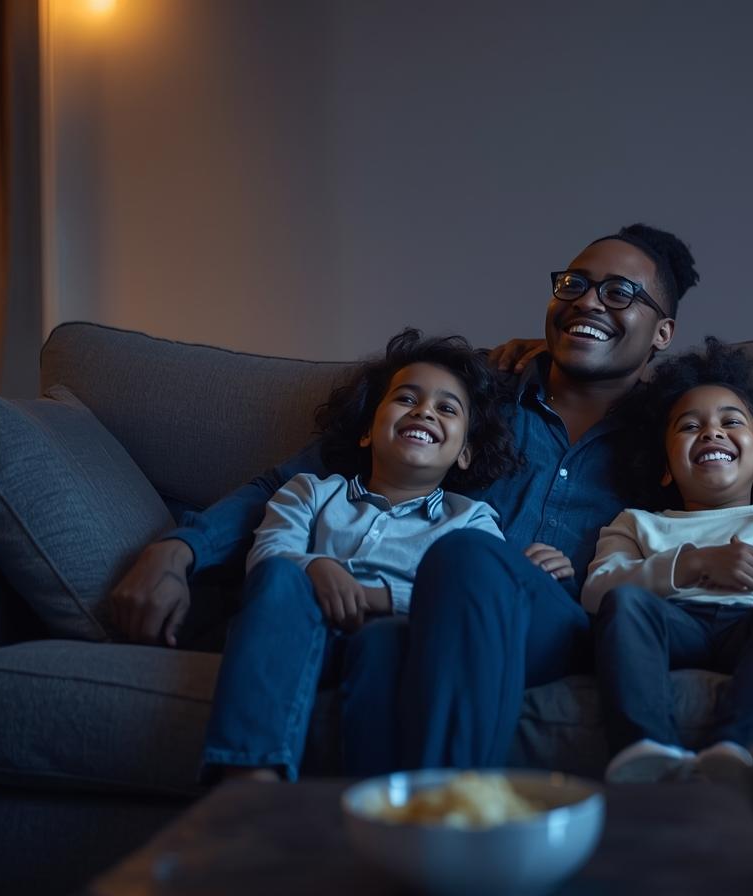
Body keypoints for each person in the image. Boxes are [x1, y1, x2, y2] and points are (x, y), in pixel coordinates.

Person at [108, 223, 699, 772]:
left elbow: (748, 509)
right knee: (428, 593)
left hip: (551, 627)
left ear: (663, 333)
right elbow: (289, 484)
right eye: (576, 284)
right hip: (417, 615)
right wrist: (177, 550)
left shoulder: (677, 436)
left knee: (465, 555)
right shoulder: (470, 394)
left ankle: (446, 811)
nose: (589, 302)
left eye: (620, 293)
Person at [199, 331, 514, 781]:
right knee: (278, 578)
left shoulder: (473, 519)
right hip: (298, 628)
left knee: (385, 640)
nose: (424, 411)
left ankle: (377, 804)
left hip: (393, 639)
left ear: (465, 453)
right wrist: (317, 566)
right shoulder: (310, 490)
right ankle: (251, 781)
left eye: (447, 408)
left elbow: (476, 600)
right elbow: (268, 554)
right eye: (407, 398)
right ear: (368, 431)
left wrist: (378, 598)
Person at [583, 340, 753, 783]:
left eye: (731, 422)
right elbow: (596, 590)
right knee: (625, 604)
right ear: (664, 466)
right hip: (675, 624)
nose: (711, 433)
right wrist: (692, 565)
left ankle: (736, 745)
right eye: (689, 426)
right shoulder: (638, 522)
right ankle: (645, 747)